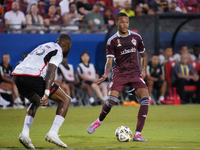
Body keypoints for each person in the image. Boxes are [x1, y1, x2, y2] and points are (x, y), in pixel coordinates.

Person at [87, 12, 149, 142]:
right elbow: (109, 61)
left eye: (127, 22)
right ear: (116, 23)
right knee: (111, 101)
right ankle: (98, 121)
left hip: (134, 73)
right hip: (120, 74)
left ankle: (137, 134)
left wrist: (143, 70)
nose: (125, 24)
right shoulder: (112, 41)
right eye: (122, 22)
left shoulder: (136, 37)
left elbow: (144, 55)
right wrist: (105, 74)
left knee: (145, 100)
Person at [11, 34, 72, 149]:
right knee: (65, 100)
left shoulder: (45, 45)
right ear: (68, 46)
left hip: (18, 74)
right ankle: (53, 133)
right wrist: (47, 93)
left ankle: (24, 133)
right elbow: (51, 70)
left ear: (57, 41)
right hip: (33, 75)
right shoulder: (58, 51)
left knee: (35, 101)